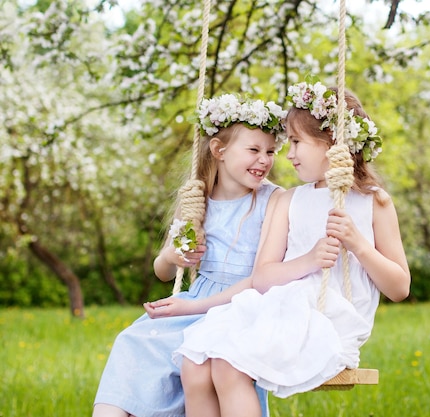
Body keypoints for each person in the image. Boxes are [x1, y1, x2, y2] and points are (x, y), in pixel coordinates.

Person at [163, 80, 411, 417]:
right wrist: (309, 260)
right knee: (196, 363)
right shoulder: (289, 200)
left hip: (328, 322)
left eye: (296, 142)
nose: (288, 153)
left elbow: (400, 288)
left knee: (227, 364)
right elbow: (263, 277)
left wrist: (357, 244)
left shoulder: (373, 202)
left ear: (332, 142)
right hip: (280, 308)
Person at [92, 94, 287, 417]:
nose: (264, 160)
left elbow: (264, 277)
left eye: (270, 151)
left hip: (240, 305)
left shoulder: (272, 200)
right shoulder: (198, 200)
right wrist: (172, 256)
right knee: (133, 341)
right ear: (219, 150)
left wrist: (191, 305)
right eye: (253, 150)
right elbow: (162, 272)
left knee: (200, 360)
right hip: (196, 301)